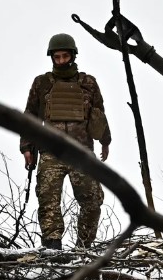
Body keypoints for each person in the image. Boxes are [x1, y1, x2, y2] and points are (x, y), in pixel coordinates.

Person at [19, 33, 111, 250]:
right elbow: (30, 116)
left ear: (73, 56)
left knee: (92, 202)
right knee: (48, 202)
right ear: (52, 58)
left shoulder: (88, 83)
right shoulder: (42, 83)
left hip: (82, 152)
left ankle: (84, 249)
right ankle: (53, 250)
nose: (61, 61)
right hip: (52, 153)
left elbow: (99, 115)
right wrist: (26, 147)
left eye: (64, 56)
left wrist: (105, 141)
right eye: (57, 57)